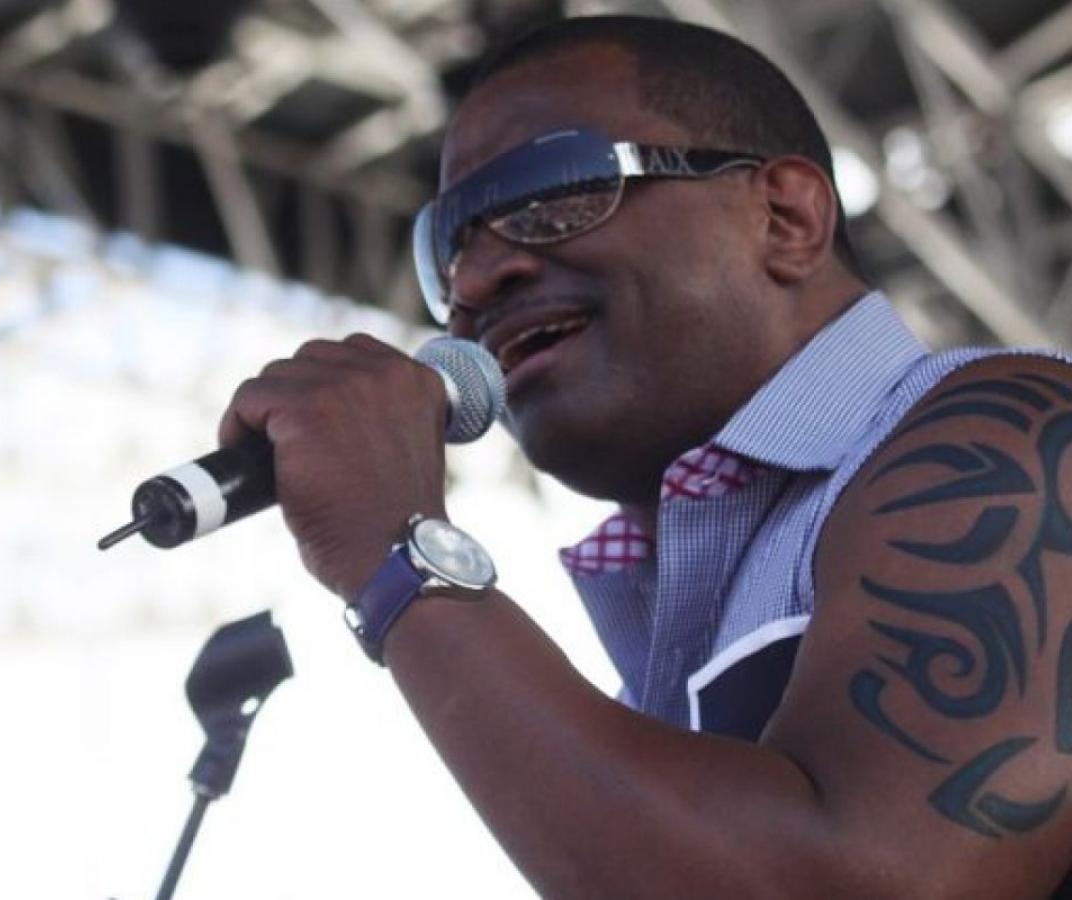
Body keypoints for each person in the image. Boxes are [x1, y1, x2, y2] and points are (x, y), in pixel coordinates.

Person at [218, 15, 1072, 898]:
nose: (473, 282)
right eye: (448, 247)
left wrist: (400, 553)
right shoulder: (657, 659)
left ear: (786, 218)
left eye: (552, 192)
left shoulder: (1020, 434)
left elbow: (858, 881)